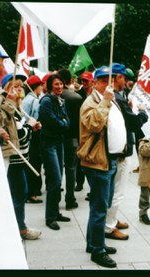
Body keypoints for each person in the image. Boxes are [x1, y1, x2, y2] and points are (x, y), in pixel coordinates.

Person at [78, 66, 127, 268]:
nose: (111, 83)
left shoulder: (108, 98)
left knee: (101, 205)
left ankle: (94, 243)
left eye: (112, 79)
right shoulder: (92, 101)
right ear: (96, 82)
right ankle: (98, 250)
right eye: (105, 80)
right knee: (100, 207)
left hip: (110, 159)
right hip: (98, 162)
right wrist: (106, 100)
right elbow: (94, 125)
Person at [105, 63, 148, 241]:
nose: (126, 82)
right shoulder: (117, 98)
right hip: (120, 151)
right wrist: (143, 113)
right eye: (124, 78)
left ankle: (111, 220)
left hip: (118, 149)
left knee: (114, 190)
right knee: (117, 191)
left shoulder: (116, 97)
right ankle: (109, 226)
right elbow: (133, 123)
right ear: (118, 78)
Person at [1, 73, 42, 240]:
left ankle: (18, 226)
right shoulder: (7, 107)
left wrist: (31, 126)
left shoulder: (18, 108)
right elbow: (18, 134)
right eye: (15, 87)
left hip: (21, 158)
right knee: (18, 193)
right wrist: (30, 128)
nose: (19, 90)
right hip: (14, 158)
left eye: (20, 87)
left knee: (20, 192)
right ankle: (19, 228)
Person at [38, 74, 71, 231]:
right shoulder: (46, 101)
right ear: (50, 85)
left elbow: (66, 119)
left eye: (61, 84)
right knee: (55, 180)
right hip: (48, 143)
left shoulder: (60, 100)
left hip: (59, 142)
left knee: (58, 179)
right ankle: (50, 217)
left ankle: (55, 212)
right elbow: (50, 120)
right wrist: (63, 123)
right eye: (56, 84)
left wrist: (63, 123)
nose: (59, 87)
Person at [58, 68, 83, 210]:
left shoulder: (53, 96)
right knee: (71, 169)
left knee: (56, 171)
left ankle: (55, 199)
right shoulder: (76, 98)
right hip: (73, 137)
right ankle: (70, 198)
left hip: (57, 138)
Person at [22, 75, 44, 204]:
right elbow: (36, 118)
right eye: (41, 85)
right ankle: (32, 193)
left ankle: (28, 191)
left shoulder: (25, 99)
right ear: (37, 86)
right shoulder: (35, 101)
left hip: (25, 133)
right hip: (33, 134)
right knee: (34, 164)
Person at [74, 71, 94, 193]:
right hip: (81, 130)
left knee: (92, 160)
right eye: (82, 81)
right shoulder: (78, 95)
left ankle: (92, 187)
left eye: (86, 81)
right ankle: (79, 182)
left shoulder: (96, 95)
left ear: (92, 81)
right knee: (79, 158)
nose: (84, 83)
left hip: (93, 130)